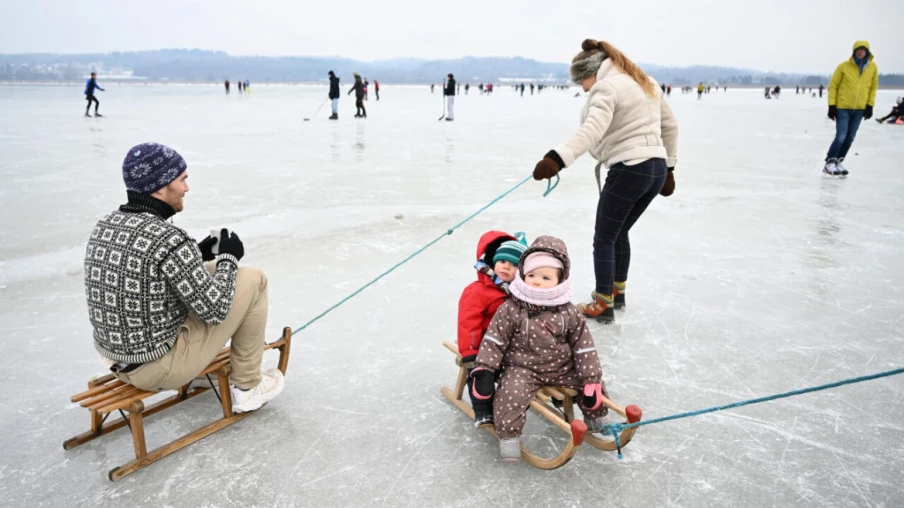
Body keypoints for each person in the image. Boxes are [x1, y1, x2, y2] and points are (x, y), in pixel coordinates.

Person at [86, 142, 284, 413]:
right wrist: (228, 257)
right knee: (254, 279)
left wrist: (197, 254)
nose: (187, 188)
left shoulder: (106, 224)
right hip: (156, 368)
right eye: (182, 180)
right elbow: (215, 310)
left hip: (114, 359)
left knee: (213, 274)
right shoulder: (166, 238)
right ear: (159, 186)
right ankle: (248, 387)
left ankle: (208, 368)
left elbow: (148, 274)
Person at [531, 39, 678, 323]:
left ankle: (602, 303)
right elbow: (670, 126)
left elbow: (592, 129)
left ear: (591, 72)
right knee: (619, 232)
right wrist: (669, 168)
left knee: (604, 238)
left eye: (581, 81)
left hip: (631, 168)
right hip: (655, 168)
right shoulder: (644, 81)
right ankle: (616, 293)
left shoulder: (606, 87)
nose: (582, 89)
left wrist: (556, 158)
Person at [471, 236, 609, 461]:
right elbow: (494, 340)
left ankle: (595, 418)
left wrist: (591, 379)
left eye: (545, 277)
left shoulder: (568, 311)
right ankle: (509, 437)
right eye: (531, 275)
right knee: (510, 393)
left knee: (592, 385)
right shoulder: (512, 308)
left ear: (560, 279)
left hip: (562, 366)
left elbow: (584, 347)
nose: (536, 281)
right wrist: (485, 369)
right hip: (523, 367)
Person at [458, 231, 528, 428]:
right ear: (492, 261)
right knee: (481, 374)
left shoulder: (519, 292)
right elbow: (468, 323)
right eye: (503, 261)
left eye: (514, 265)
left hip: (510, 347)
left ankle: (513, 405)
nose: (507, 267)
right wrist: (471, 352)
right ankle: (483, 410)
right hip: (483, 347)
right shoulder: (477, 291)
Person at [824, 40, 878, 176]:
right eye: (857, 49)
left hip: (860, 108)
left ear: (867, 52)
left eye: (863, 49)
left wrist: (870, 105)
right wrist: (832, 106)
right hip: (843, 107)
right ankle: (829, 162)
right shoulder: (843, 67)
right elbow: (834, 86)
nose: (860, 52)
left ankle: (838, 161)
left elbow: (872, 88)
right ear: (854, 51)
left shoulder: (872, 68)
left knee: (850, 137)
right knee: (841, 136)